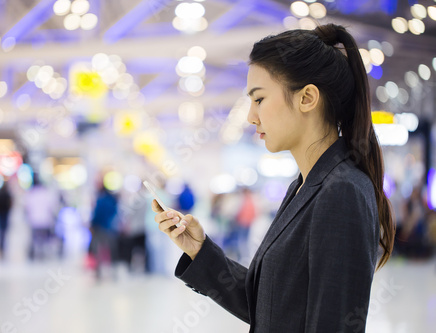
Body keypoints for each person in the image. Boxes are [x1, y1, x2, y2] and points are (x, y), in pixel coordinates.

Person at [151, 23, 396, 332]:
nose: (252, 116)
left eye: (260, 99)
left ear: (307, 98)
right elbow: (264, 305)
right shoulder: (304, 186)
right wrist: (199, 250)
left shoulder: (341, 192)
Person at [89, 184, 119, 279]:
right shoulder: (113, 201)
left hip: (99, 227)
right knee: (111, 249)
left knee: (97, 249)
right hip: (110, 228)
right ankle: (113, 270)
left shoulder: (100, 200)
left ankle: (98, 271)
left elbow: (97, 215)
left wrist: (92, 225)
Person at [0, 182, 12, 260]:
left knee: (1, 229)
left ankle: (1, 244)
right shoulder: (7, 194)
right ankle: (2, 244)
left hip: (0, 213)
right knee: (4, 230)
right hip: (5, 214)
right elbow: (11, 203)